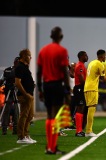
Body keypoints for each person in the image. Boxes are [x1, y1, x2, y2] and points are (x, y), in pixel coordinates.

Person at [37, 26, 71, 155]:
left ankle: (49, 147)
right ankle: (52, 147)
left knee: (49, 115)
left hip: (46, 85)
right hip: (57, 85)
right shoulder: (62, 51)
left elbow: (39, 71)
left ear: (51, 36)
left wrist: (40, 88)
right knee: (55, 116)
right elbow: (64, 71)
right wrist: (67, 90)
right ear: (60, 37)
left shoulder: (43, 50)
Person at [15, 49, 36, 143]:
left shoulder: (25, 67)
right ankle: (21, 137)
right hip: (25, 96)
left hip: (29, 95)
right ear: (24, 56)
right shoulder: (19, 67)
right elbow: (17, 82)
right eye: (29, 56)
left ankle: (26, 135)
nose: (30, 58)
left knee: (30, 116)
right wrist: (25, 94)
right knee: (24, 115)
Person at [0, 57, 20, 135]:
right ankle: (4, 129)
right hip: (8, 92)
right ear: (14, 62)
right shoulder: (7, 70)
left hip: (16, 93)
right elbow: (2, 80)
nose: (17, 63)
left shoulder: (21, 71)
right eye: (16, 62)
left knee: (16, 112)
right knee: (6, 111)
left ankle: (15, 129)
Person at [73, 51, 88, 137]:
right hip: (79, 88)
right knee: (80, 108)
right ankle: (78, 131)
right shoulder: (79, 66)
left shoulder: (82, 65)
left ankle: (80, 129)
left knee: (82, 109)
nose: (87, 56)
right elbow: (82, 81)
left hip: (82, 88)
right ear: (81, 56)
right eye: (85, 55)